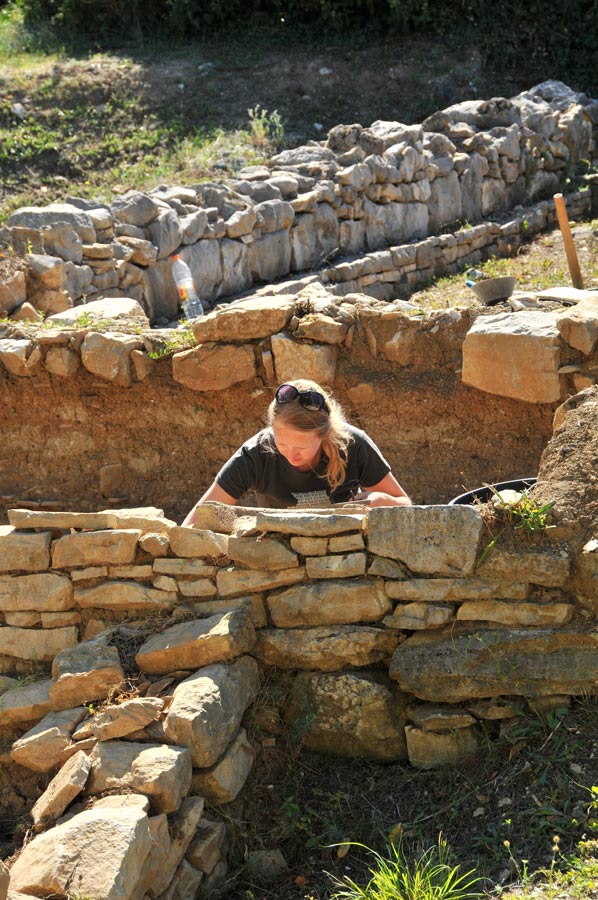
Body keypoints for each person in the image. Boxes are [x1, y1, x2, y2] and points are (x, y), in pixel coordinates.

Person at [182, 379, 411, 524]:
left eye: (301, 448)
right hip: (279, 556)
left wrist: (382, 500)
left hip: (347, 556)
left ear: (324, 435)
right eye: (282, 445)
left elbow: (406, 506)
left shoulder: (352, 444)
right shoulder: (256, 454)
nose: (292, 456)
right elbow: (197, 519)